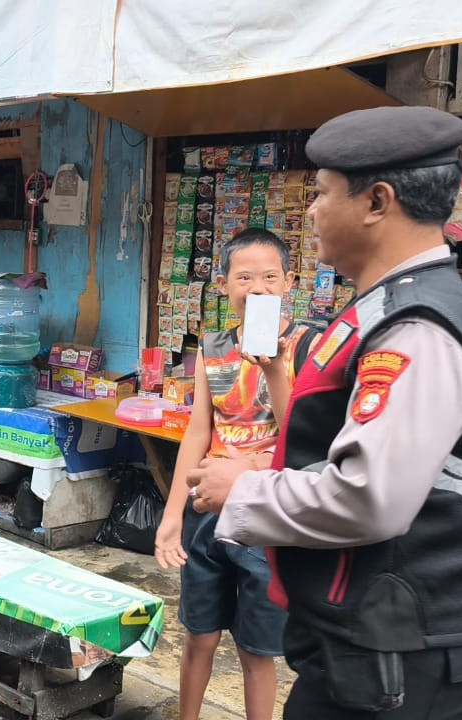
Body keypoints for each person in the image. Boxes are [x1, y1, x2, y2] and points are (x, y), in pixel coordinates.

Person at [188, 106, 462, 719]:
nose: (310, 211)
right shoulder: (377, 312)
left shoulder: (418, 325)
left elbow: (370, 495)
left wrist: (246, 490)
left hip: (405, 647)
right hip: (368, 638)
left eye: (323, 193)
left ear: (376, 202)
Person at [154, 229, 318, 720]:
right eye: (244, 277)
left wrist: (274, 371)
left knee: (255, 650)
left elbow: (302, 436)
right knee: (198, 635)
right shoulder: (214, 347)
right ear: (224, 284)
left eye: (270, 276)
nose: (258, 287)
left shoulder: (306, 347)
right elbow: (198, 433)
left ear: (290, 281)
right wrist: (172, 515)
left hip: (266, 518)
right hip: (207, 513)